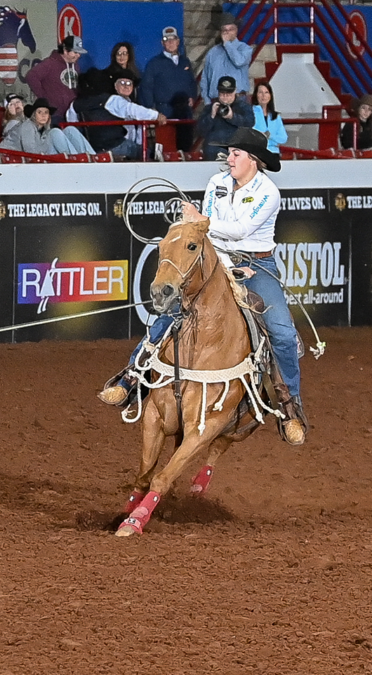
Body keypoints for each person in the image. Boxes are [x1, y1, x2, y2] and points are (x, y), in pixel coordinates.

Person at [98, 127, 307, 446]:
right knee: (172, 310)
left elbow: (240, 230)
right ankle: (132, 377)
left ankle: (290, 407)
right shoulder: (217, 183)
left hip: (257, 264)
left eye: (236, 153)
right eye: (230, 152)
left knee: (282, 332)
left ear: (254, 160)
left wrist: (201, 220)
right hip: (217, 258)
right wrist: (197, 227)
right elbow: (208, 229)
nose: (229, 158)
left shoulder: (268, 191)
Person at [69, 68, 165, 160]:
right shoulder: (110, 100)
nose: (126, 86)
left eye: (129, 83)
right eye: (122, 83)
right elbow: (132, 109)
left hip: (93, 149)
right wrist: (156, 115)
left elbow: (72, 125)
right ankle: (159, 156)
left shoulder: (75, 104)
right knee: (143, 151)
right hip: (116, 146)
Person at [140, 26, 197, 152]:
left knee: (186, 149)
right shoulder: (154, 63)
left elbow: (192, 82)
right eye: (167, 39)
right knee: (167, 150)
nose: (170, 42)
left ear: (178, 41)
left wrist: (192, 97)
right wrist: (152, 109)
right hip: (164, 112)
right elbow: (146, 86)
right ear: (162, 43)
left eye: (173, 39)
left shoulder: (185, 61)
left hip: (184, 113)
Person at [24, 35, 88, 124]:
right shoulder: (50, 63)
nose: (78, 55)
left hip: (71, 115)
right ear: (65, 50)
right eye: (75, 52)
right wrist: (44, 99)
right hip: (55, 115)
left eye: (79, 53)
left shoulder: (75, 66)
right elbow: (31, 76)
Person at [3, 98, 95, 156]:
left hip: (38, 157)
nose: (43, 115)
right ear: (34, 115)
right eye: (40, 112)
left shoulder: (45, 128)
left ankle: (93, 158)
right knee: (55, 132)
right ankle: (76, 160)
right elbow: (31, 153)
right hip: (8, 159)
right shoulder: (28, 125)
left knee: (70, 130)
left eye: (46, 112)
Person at [197, 75, 254, 161]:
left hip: (236, 153)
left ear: (235, 91)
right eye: (222, 94)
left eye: (228, 94)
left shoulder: (244, 107)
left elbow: (249, 123)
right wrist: (211, 116)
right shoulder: (209, 108)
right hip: (213, 154)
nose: (225, 97)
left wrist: (232, 116)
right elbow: (200, 131)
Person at [201, 12, 253, 100]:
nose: (227, 32)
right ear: (220, 32)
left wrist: (227, 44)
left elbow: (239, 61)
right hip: (216, 98)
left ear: (236, 30)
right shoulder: (212, 52)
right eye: (224, 30)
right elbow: (205, 78)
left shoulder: (245, 48)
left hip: (238, 98)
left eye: (231, 29)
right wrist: (207, 101)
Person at [252, 82, 288, 154]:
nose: (263, 95)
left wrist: (269, 135)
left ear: (270, 95)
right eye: (260, 92)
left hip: (273, 153)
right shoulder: (250, 113)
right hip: (256, 152)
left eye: (266, 92)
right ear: (256, 95)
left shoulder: (276, 116)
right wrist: (274, 142)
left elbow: (283, 138)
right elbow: (251, 135)